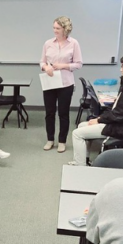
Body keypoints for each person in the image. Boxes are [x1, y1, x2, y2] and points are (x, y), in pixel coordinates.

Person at [69, 52, 123, 166]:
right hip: (118, 123)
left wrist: (99, 120)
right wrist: (100, 118)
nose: (121, 69)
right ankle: (84, 160)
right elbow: (117, 110)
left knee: (77, 134)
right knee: (82, 126)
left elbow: (120, 115)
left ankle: (79, 165)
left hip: (122, 128)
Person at [40, 15, 83, 153]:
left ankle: (62, 141)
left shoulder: (74, 43)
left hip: (66, 84)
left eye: (57, 28)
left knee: (63, 113)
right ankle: (50, 139)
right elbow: (42, 61)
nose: (55, 30)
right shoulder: (48, 43)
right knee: (49, 113)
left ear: (65, 29)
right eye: (53, 27)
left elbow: (78, 64)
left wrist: (63, 65)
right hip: (50, 82)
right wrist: (45, 67)